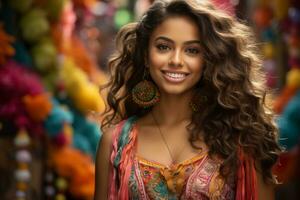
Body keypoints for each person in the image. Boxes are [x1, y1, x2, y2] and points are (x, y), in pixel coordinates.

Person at [94, 0, 281, 199]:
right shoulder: (116, 143)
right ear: (146, 56)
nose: (176, 60)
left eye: (192, 50)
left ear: (208, 59)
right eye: (163, 47)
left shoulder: (241, 139)